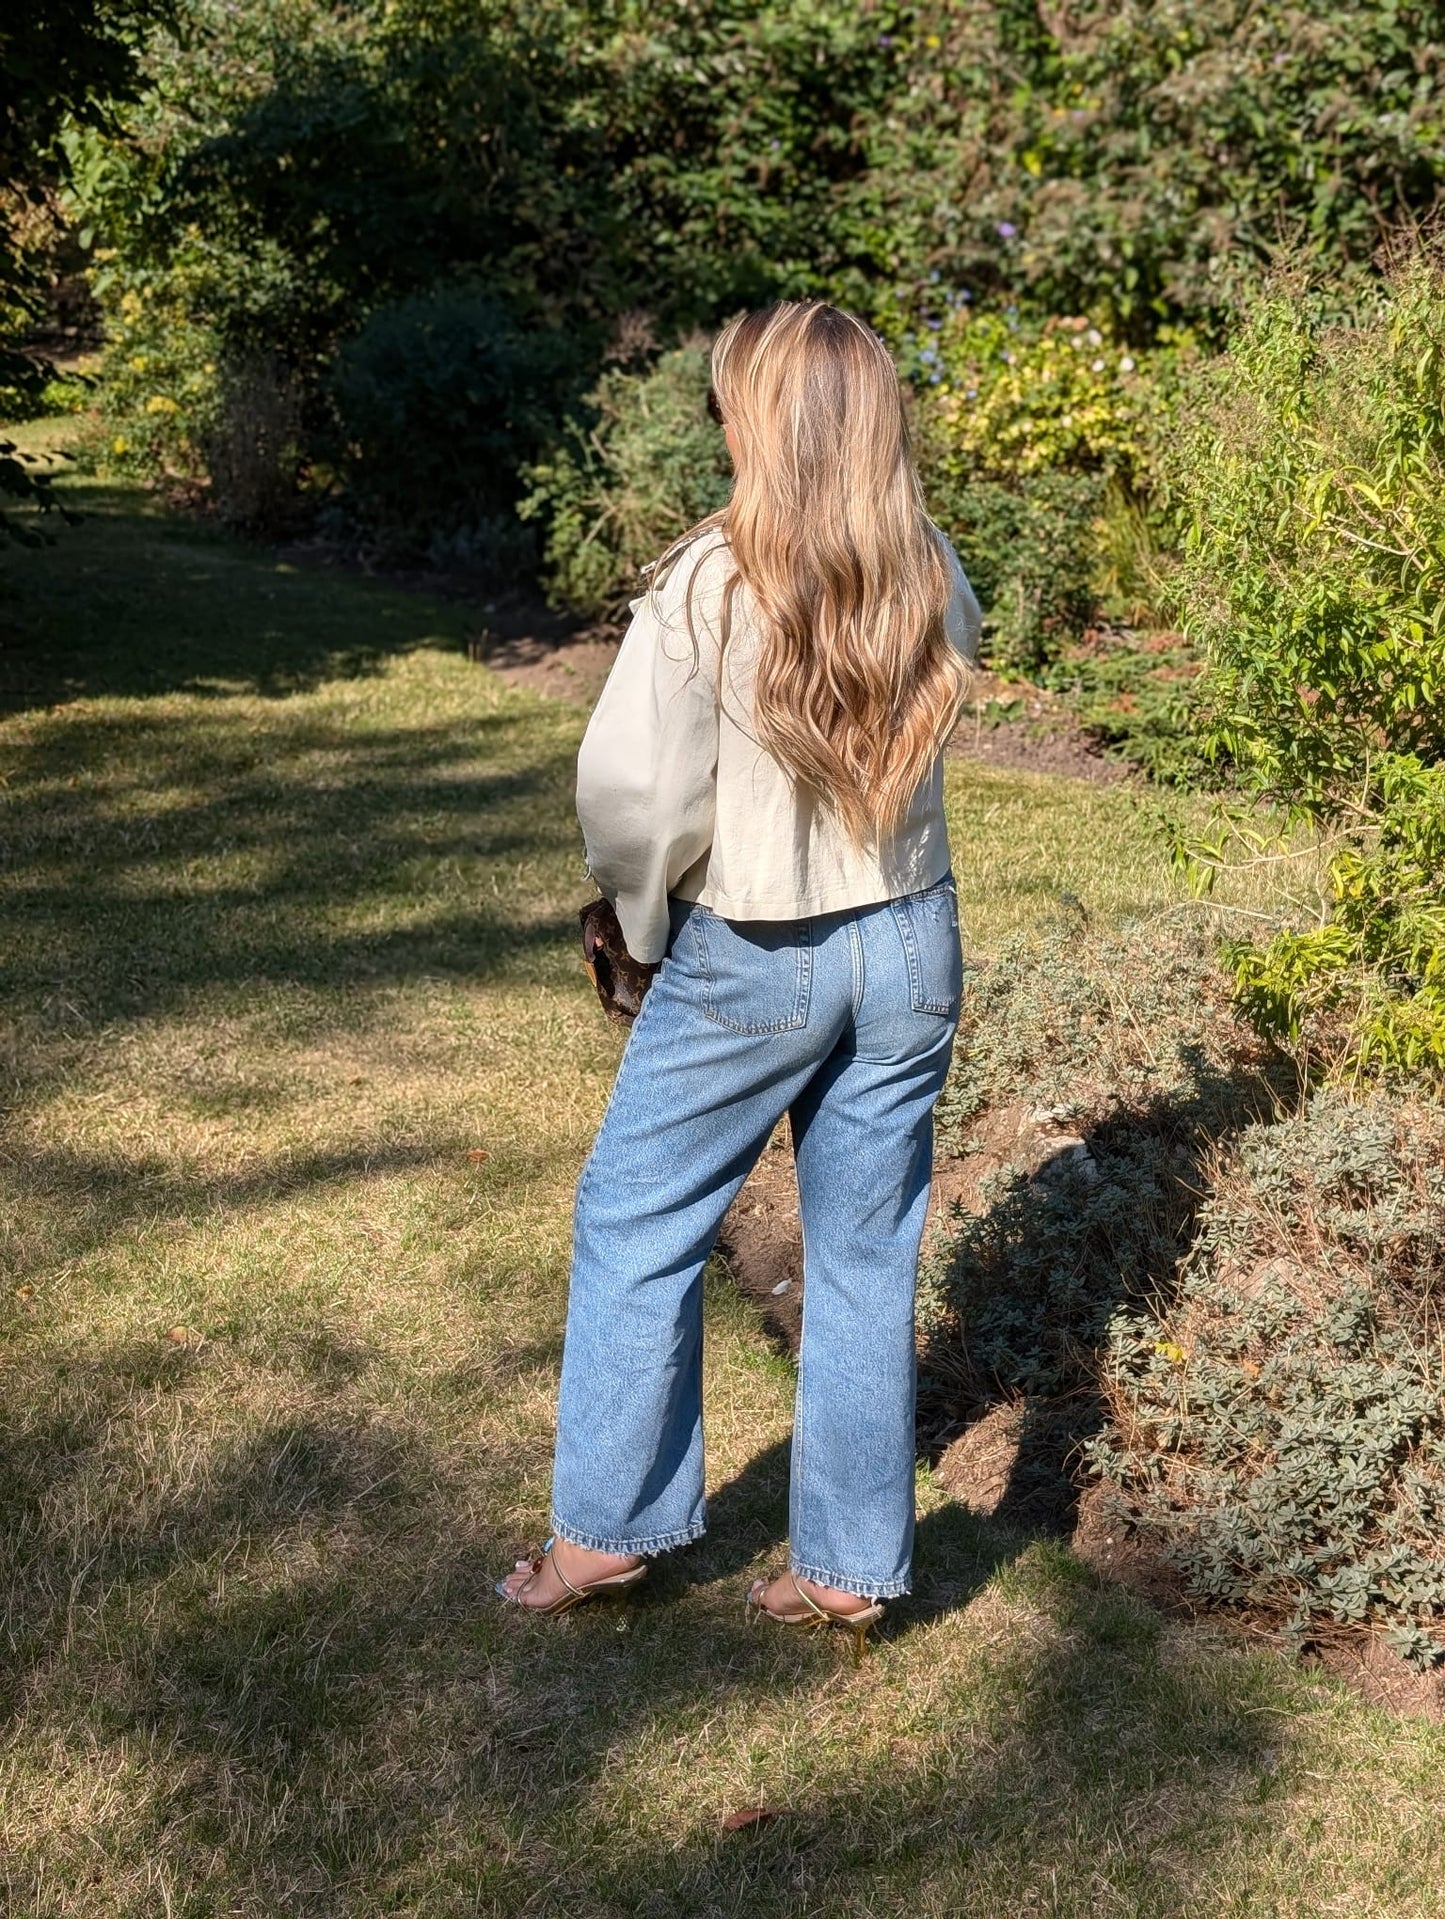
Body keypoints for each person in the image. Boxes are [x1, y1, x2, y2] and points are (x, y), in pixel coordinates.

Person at [497, 299, 981, 1654]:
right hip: (909, 939)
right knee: (868, 1252)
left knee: (635, 1218)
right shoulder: (928, 564)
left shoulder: (711, 579)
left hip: (758, 949)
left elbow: (636, 801)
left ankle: (601, 1532)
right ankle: (847, 1567)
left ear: (754, 419)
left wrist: (638, 923)